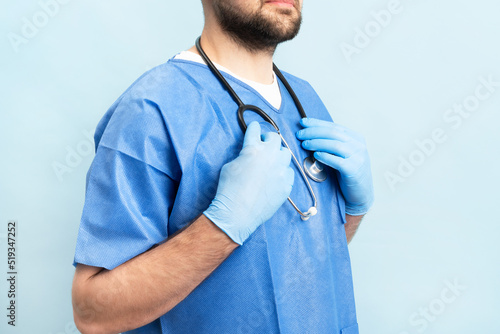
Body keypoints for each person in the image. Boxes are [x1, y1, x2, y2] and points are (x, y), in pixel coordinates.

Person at [71, 0, 374, 333]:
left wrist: (354, 211)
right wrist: (222, 226)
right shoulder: (153, 109)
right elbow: (92, 312)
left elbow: (304, 256)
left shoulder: (305, 98)